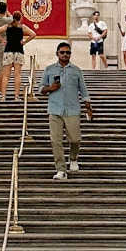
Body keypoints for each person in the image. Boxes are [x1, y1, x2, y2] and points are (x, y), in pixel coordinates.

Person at [39, 42, 92, 181]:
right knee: (56, 141)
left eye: (68, 52)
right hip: (55, 109)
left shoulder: (76, 70)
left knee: (75, 139)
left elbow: (83, 90)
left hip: (72, 109)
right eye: (62, 52)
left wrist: (88, 107)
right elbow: (41, 89)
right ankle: (61, 169)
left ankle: (73, 158)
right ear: (57, 54)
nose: (65, 55)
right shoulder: (49, 69)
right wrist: (51, 88)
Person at [0, 10, 36, 102]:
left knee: (6, 75)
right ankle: (16, 97)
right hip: (18, 51)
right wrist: (25, 41)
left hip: (8, 51)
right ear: (20, 18)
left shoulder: (7, 26)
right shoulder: (22, 27)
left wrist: (2, 40)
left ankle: (3, 96)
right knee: (17, 75)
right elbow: (33, 34)